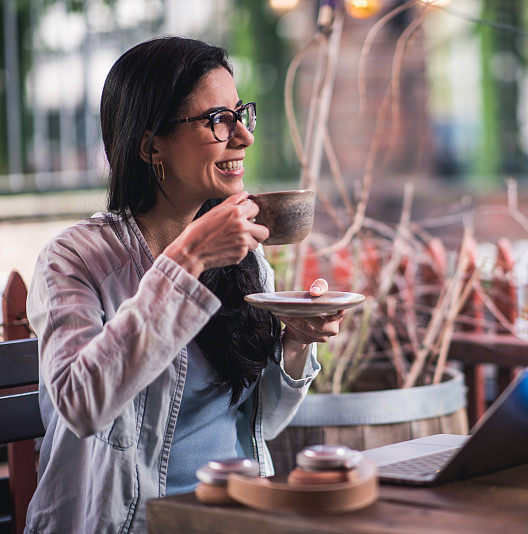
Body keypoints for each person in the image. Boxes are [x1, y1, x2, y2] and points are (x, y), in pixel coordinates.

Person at [23, 37, 344, 534]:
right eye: (218, 119)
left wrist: (298, 340)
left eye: (242, 113)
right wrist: (188, 259)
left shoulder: (245, 255)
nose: (243, 136)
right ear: (152, 145)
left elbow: (257, 426)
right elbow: (82, 404)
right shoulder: (74, 260)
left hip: (238, 516)